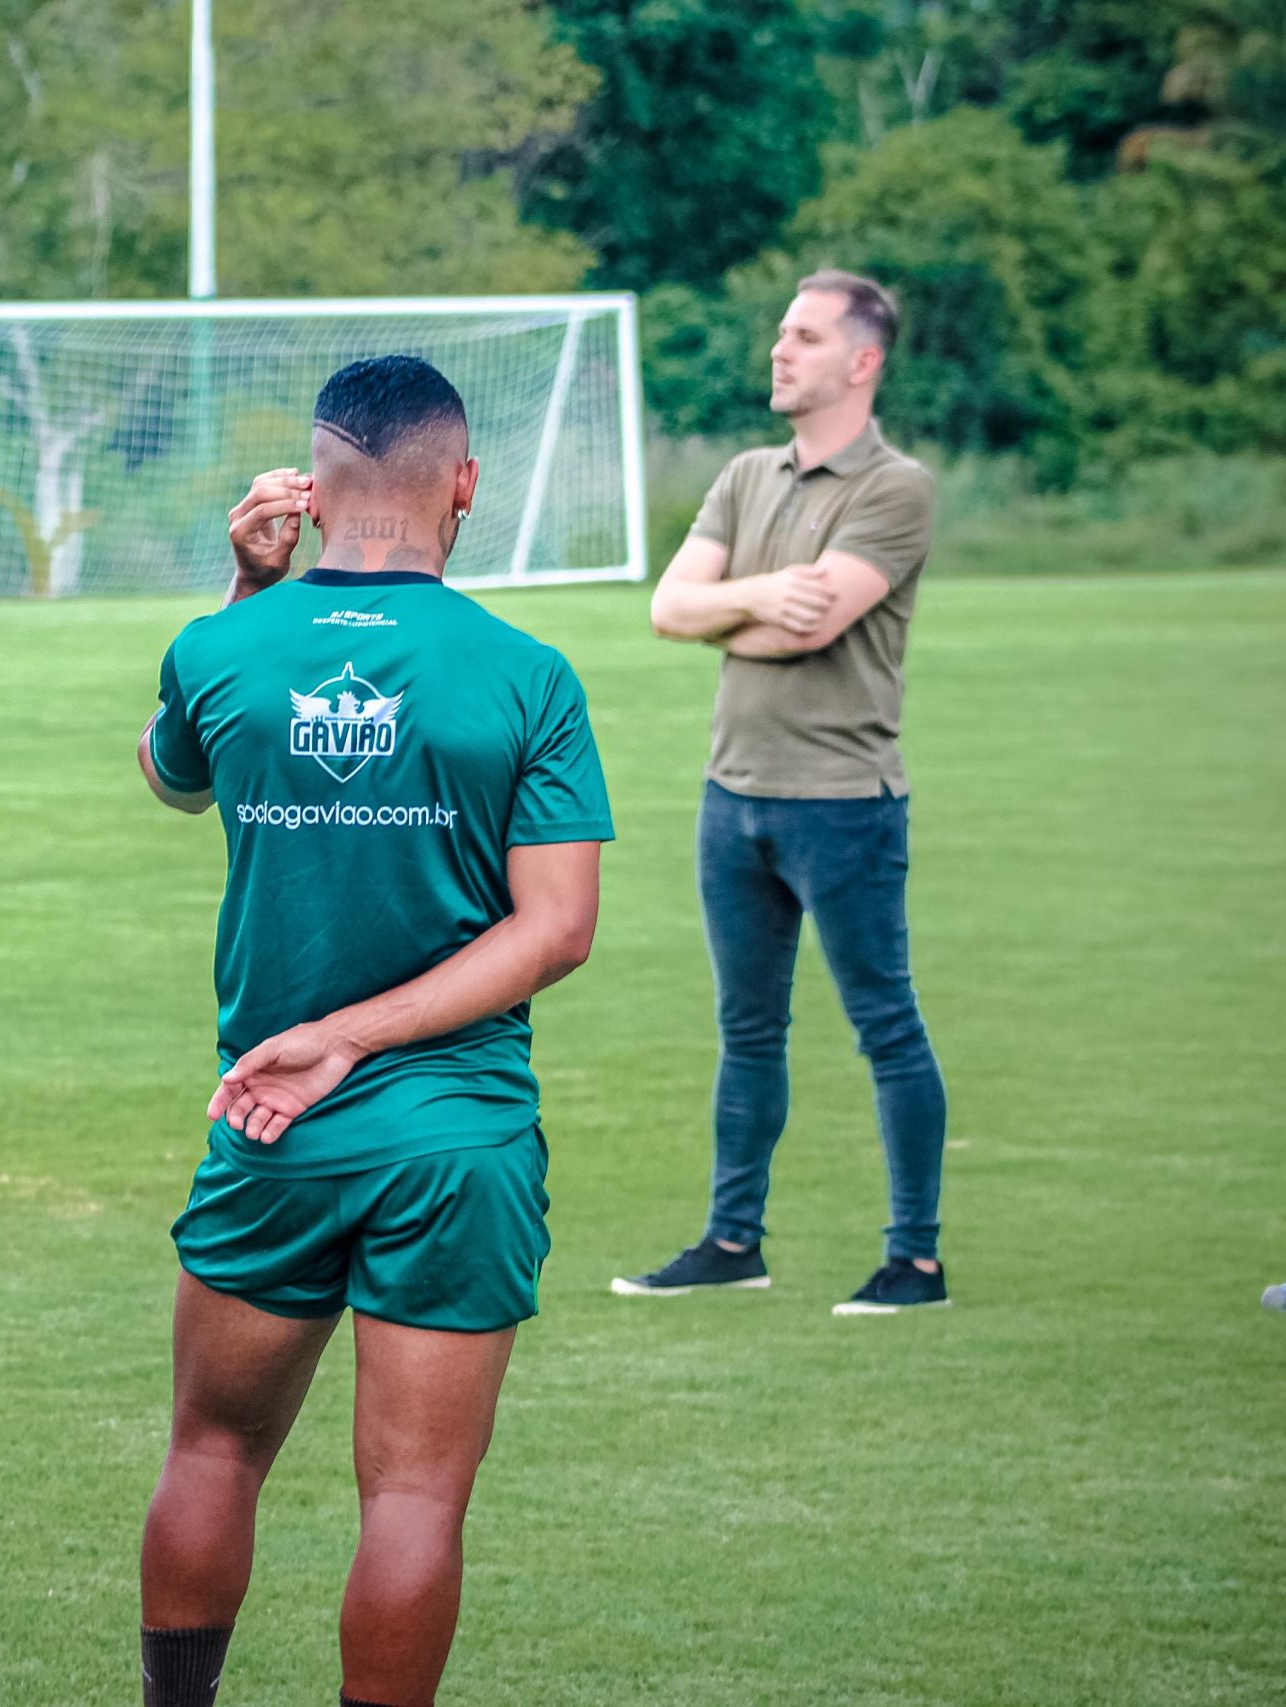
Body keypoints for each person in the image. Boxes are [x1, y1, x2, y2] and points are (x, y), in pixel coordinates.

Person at [134, 356, 611, 1707]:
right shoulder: (528, 672)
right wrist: (364, 1031)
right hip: (457, 1137)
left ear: (309, 486)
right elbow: (558, 925)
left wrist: (242, 590)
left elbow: (175, 777)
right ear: (463, 482)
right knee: (413, 1492)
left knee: (212, 1451)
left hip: (270, 1118)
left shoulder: (221, 645)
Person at [614, 270, 949, 1315]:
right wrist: (753, 596)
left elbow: (814, 626)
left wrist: (727, 614)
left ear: (861, 362)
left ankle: (915, 1261)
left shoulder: (895, 487)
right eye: (780, 332)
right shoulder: (745, 474)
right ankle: (731, 1241)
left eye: (802, 336)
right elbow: (669, 610)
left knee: (882, 1025)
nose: (779, 349)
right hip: (734, 798)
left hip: (842, 802)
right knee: (746, 1030)